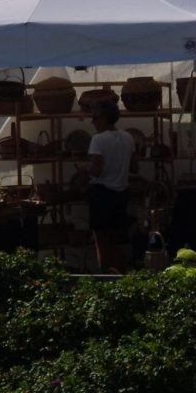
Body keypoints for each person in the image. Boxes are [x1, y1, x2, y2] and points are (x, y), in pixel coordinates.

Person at [76, 99, 136, 273]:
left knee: (101, 241)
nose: (92, 121)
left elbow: (97, 171)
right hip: (121, 194)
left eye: (94, 117)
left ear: (103, 118)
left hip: (102, 194)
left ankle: (106, 279)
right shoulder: (127, 137)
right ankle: (121, 275)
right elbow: (134, 167)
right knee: (114, 240)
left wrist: (83, 167)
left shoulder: (98, 139)